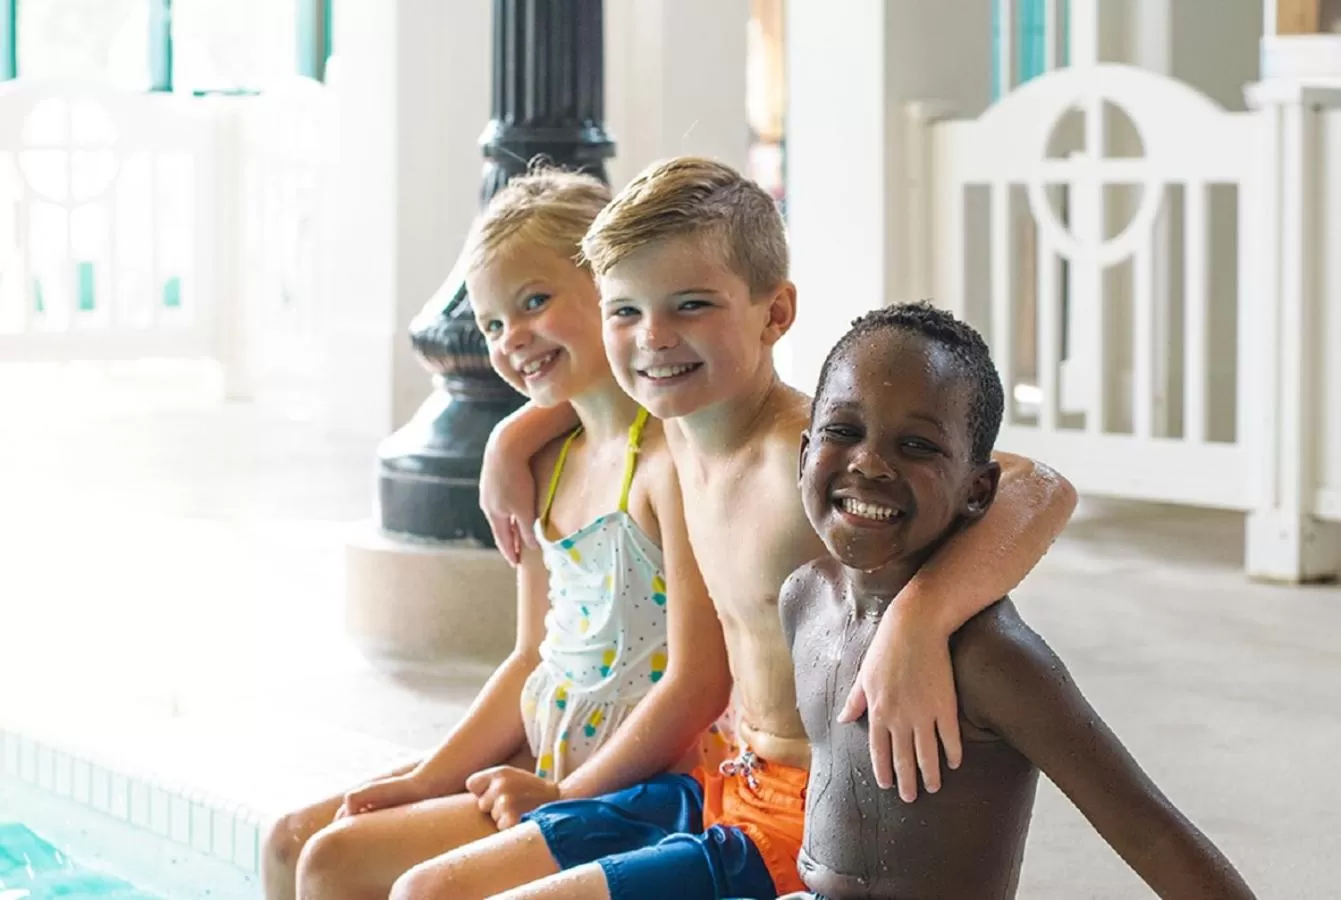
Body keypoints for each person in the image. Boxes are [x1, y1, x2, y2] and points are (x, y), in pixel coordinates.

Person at [390, 158, 1077, 900]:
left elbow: (1040, 486)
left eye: (691, 306)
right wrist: (509, 440)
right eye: (626, 312)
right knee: (428, 891)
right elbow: (588, 380)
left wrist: (920, 616)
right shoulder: (675, 422)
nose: (654, 338)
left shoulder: (802, 453)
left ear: (775, 314)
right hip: (722, 781)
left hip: (811, 811)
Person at [260, 170, 731, 900]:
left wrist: (564, 797)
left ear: (609, 286)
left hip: (632, 784)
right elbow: (528, 657)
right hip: (543, 751)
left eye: (534, 301)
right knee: (291, 839)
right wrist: (427, 779)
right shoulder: (543, 465)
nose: (511, 337)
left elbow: (699, 683)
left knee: (332, 862)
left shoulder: (666, 463)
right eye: (490, 325)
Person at [779, 301, 1256, 899]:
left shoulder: (990, 658)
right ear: (804, 455)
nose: (870, 462)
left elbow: (1149, 831)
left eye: (918, 445)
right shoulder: (804, 599)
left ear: (979, 490)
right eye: (844, 431)